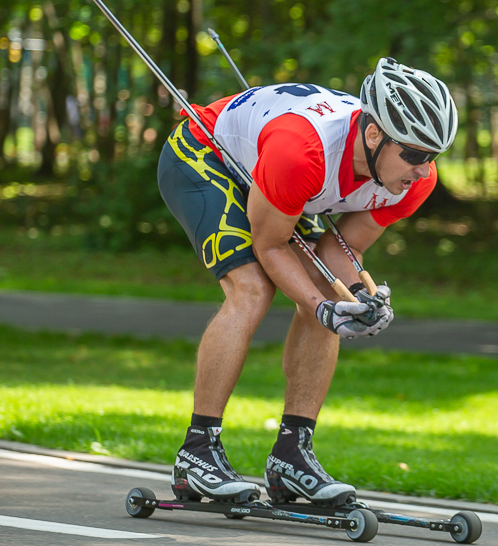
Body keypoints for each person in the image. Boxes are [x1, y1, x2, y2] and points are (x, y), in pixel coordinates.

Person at [156, 57, 458, 506]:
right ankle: (197, 453)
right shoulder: (305, 152)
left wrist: (358, 297)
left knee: (329, 300)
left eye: (432, 155)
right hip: (206, 156)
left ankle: (291, 456)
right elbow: (271, 247)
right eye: (413, 154)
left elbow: (339, 255)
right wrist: (322, 306)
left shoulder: (415, 180)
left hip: (272, 173)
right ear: (373, 134)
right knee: (253, 289)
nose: (422, 169)